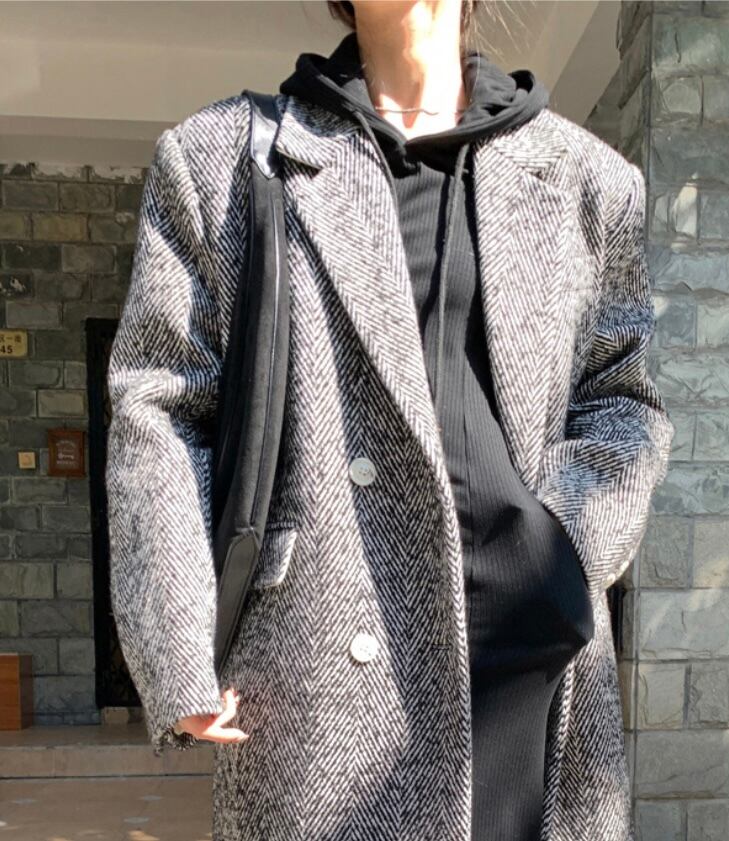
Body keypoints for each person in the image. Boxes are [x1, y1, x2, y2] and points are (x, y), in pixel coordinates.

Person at [105, 2, 675, 840]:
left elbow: (620, 397)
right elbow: (159, 406)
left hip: (524, 646)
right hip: (322, 647)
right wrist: (179, 644)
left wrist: (562, 549)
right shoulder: (221, 159)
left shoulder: (587, 181)